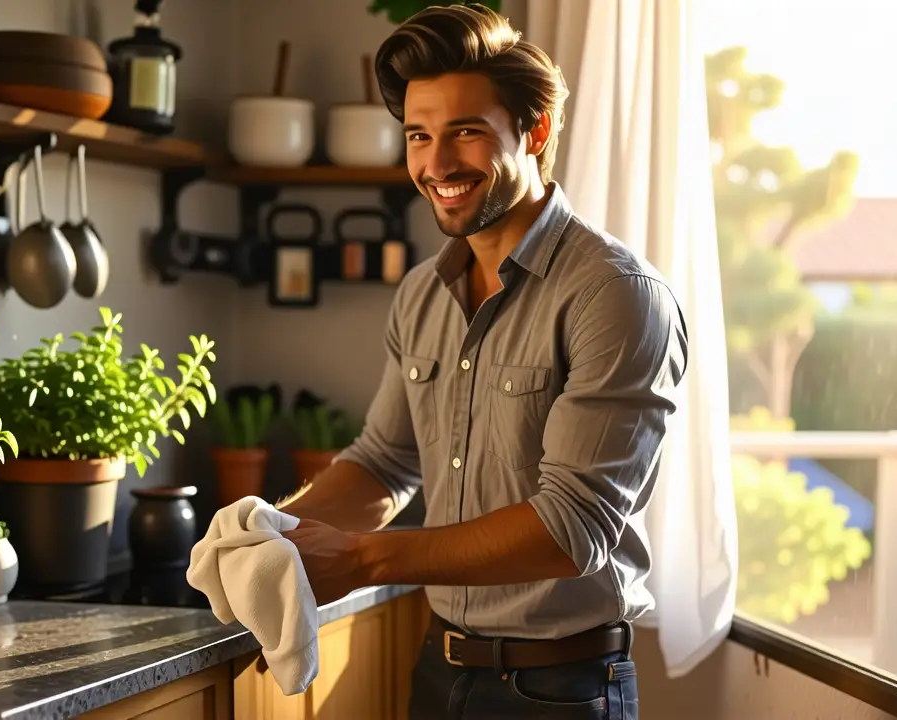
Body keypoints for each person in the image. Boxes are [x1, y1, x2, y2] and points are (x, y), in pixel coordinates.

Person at [277, 4, 687, 718]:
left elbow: (572, 528)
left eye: (465, 133)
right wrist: (266, 531)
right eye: (418, 136)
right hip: (441, 674)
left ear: (535, 132)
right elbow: (383, 461)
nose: (436, 165)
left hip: (563, 688)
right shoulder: (421, 295)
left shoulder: (614, 296)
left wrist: (364, 559)